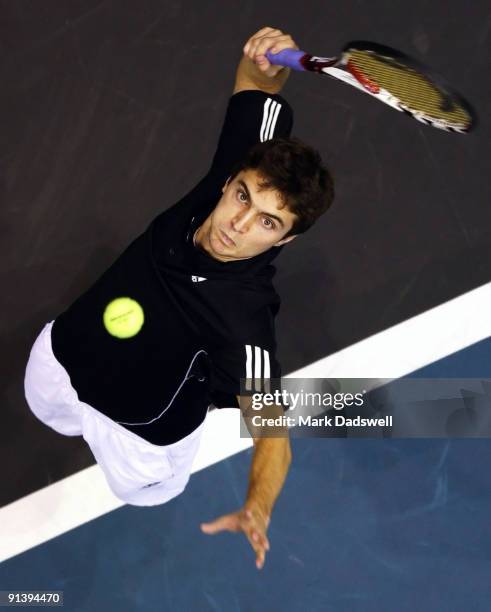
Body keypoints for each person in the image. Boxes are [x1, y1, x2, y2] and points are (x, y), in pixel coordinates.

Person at [24, 26, 334, 570]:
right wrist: (263, 53)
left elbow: (272, 438)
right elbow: (259, 80)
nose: (237, 225)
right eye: (243, 196)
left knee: (145, 493)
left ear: (284, 239)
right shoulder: (233, 168)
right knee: (45, 409)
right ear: (231, 180)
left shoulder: (244, 325)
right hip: (66, 362)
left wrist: (257, 506)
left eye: (266, 222)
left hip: (140, 441)